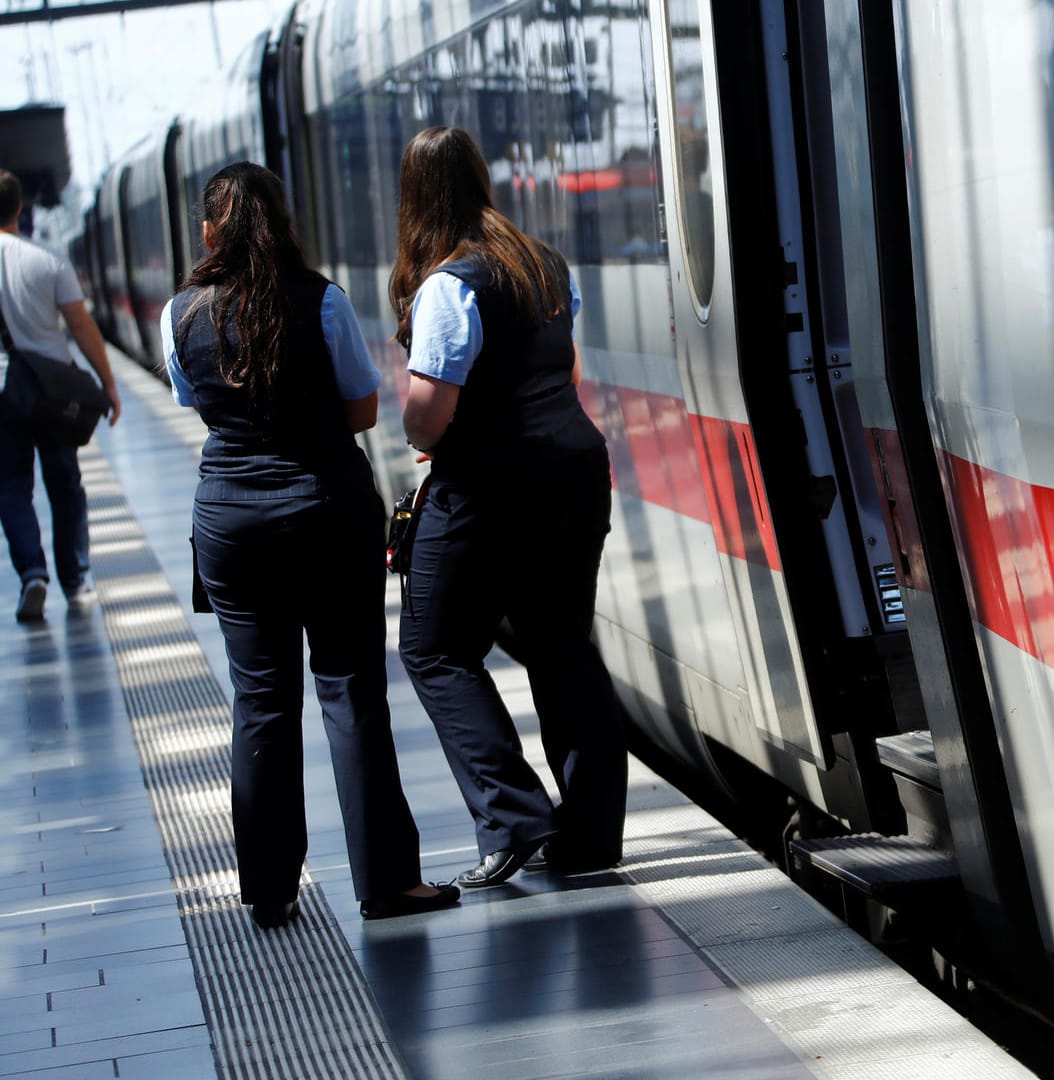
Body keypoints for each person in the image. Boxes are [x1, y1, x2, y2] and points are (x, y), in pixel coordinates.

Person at [164, 162, 459, 927]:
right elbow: (362, 410)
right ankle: (388, 882)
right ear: (281, 224)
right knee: (351, 693)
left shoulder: (180, 313)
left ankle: (267, 888)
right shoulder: (320, 299)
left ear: (209, 232)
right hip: (325, 511)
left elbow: (193, 401)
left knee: (260, 701)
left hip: (229, 521)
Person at [390, 126, 629, 888]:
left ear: (417, 198)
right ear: (482, 181)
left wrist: (414, 411)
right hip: (573, 469)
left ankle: (516, 816)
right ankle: (591, 835)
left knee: (432, 645)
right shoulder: (543, 265)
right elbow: (570, 369)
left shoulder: (449, 285)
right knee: (561, 644)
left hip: (491, 486)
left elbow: (429, 417)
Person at [0, 168, 121, 622]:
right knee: (65, 484)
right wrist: (107, 383)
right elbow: (81, 326)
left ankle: (33, 573)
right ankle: (74, 578)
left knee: (11, 488)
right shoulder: (47, 260)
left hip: (1, 393)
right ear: (19, 209)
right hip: (50, 392)